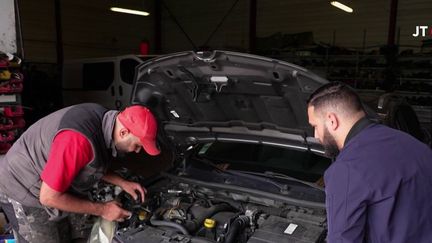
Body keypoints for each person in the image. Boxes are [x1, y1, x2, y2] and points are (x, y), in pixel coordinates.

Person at [0, 103, 161, 242]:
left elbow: (90, 162)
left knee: (74, 232)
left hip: (50, 182)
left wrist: (123, 183)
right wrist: (104, 210)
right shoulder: (77, 140)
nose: (138, 151)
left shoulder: (105, 119)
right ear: (124, 133)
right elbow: (49, 197)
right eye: (137, 145)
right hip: (22, 185)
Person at [307, 82, 432, 242]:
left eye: (315, 126)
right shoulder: (412, 143)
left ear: (332, 120)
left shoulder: (347, 169)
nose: (315, 135)